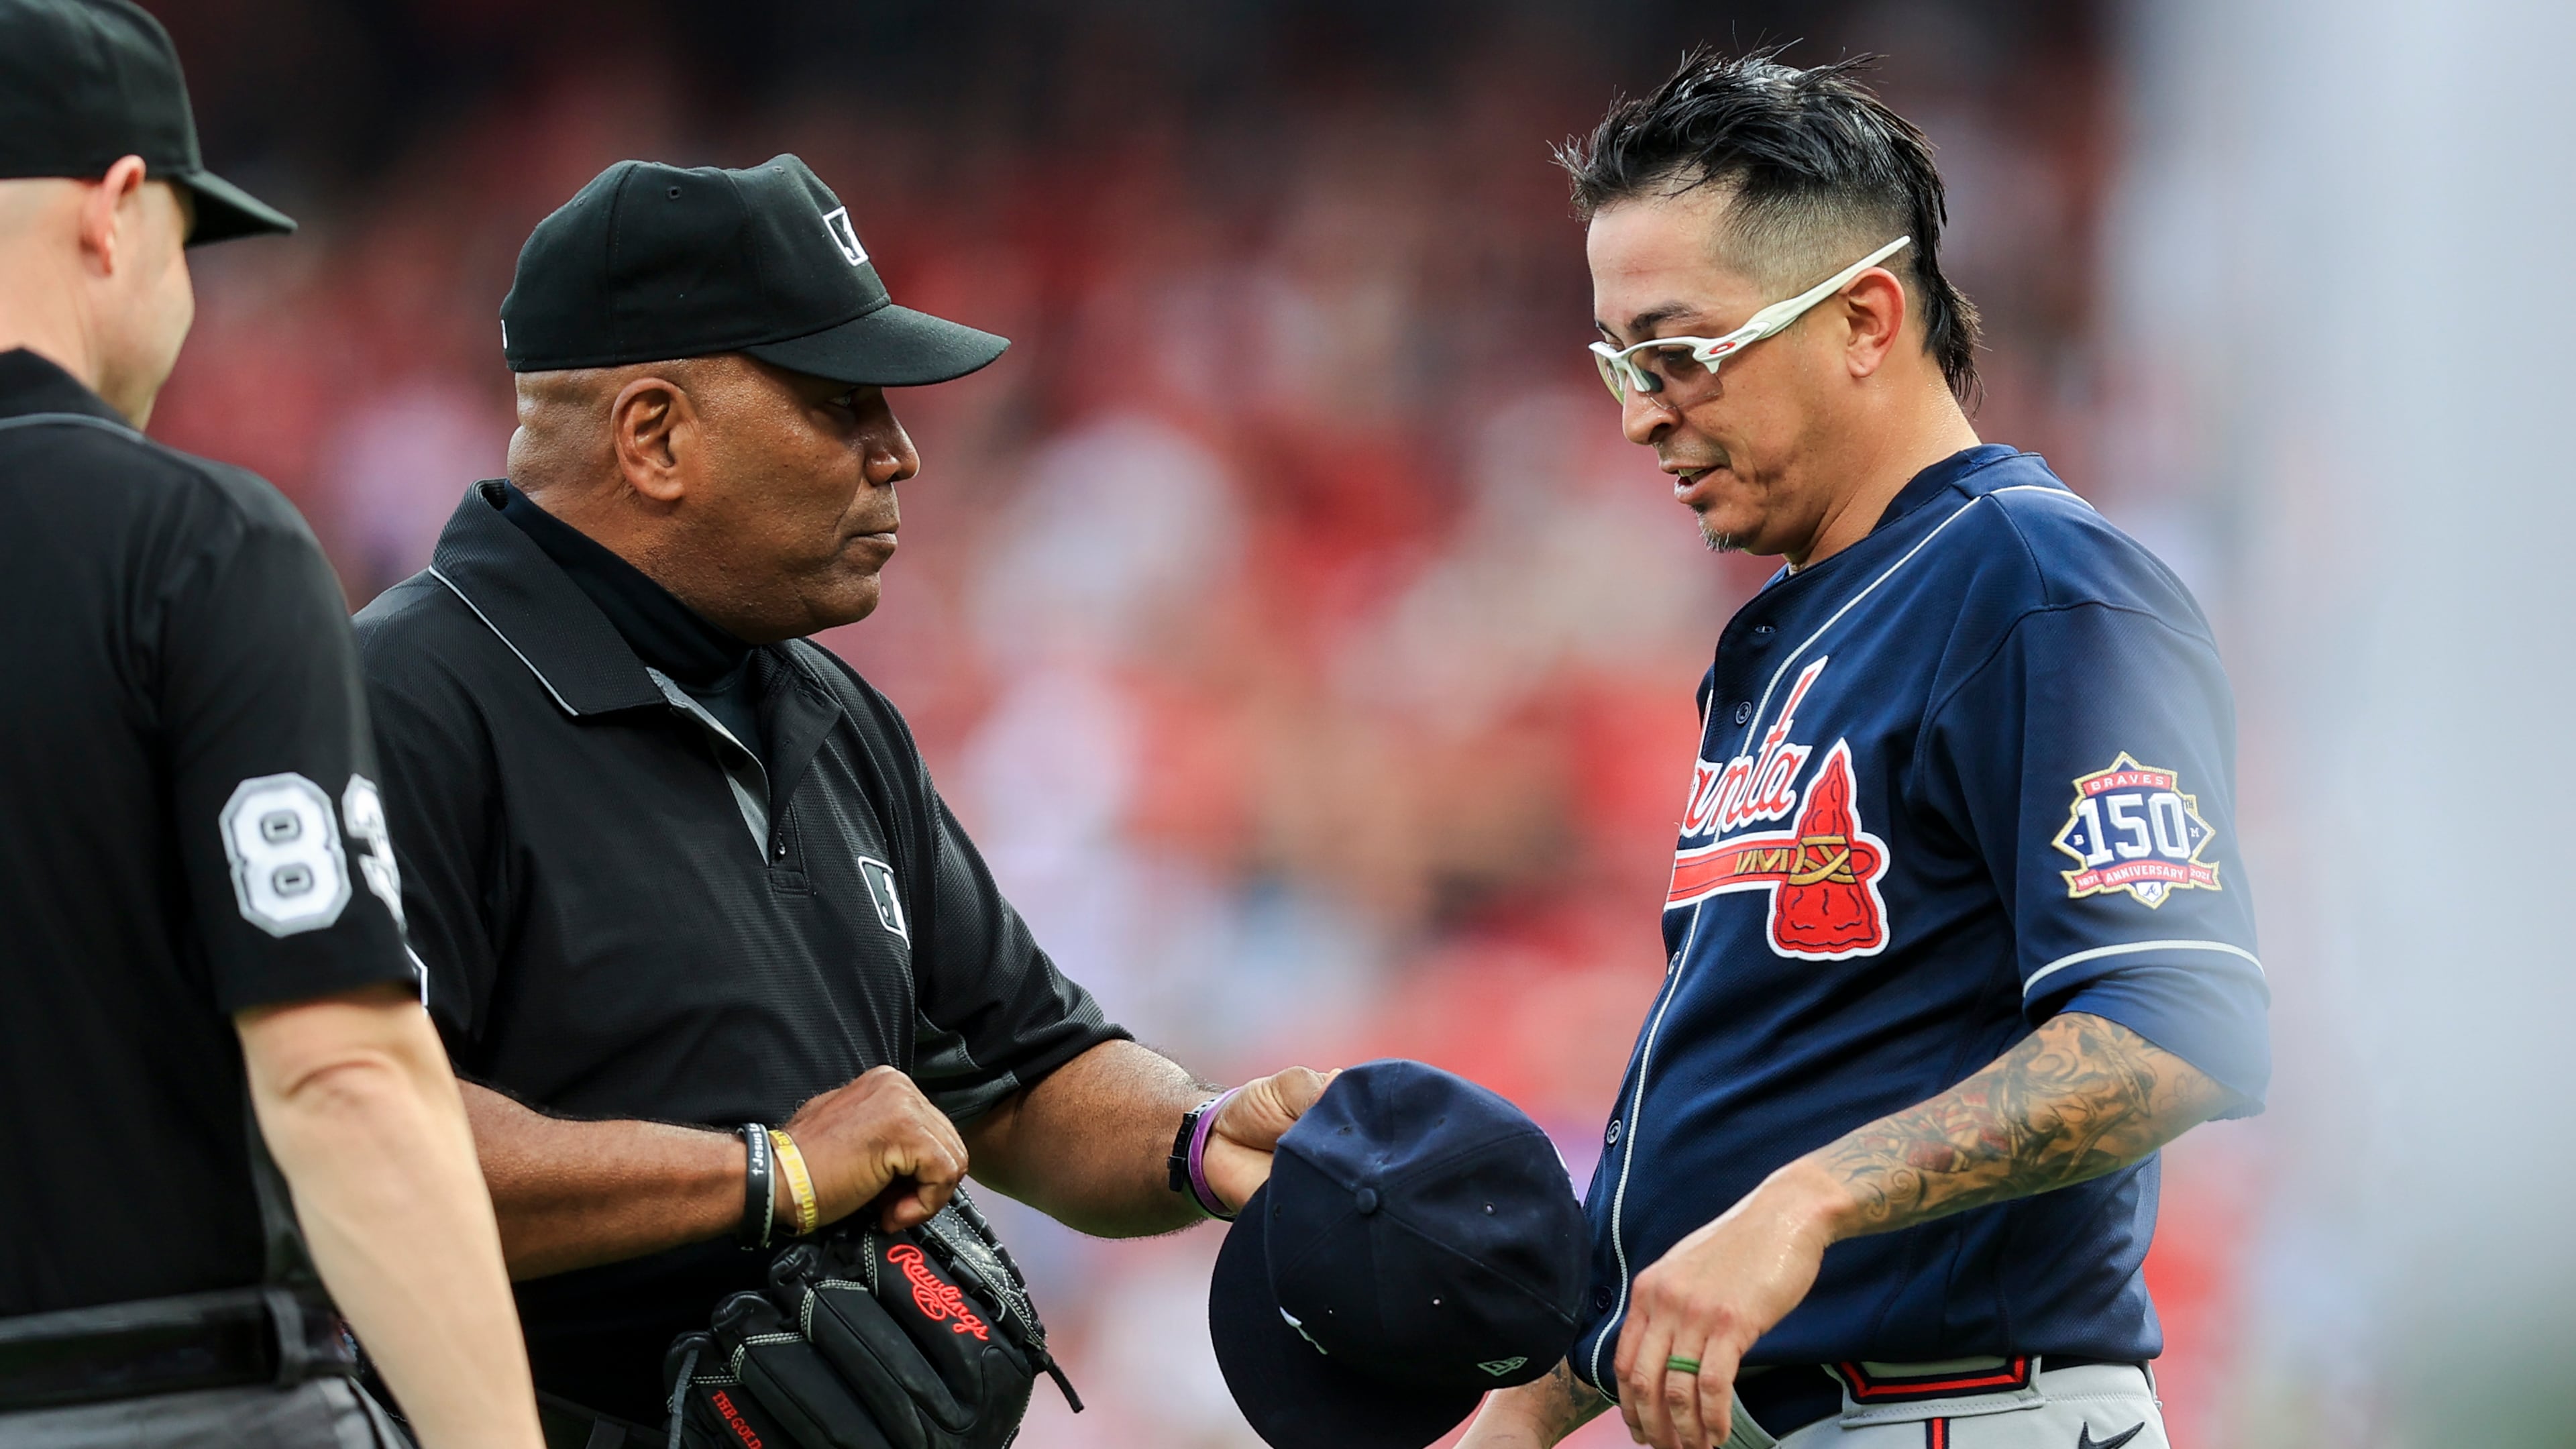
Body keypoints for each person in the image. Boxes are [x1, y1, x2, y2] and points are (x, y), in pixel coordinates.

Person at [351, 153, 1328, 1443]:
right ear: (654, 437)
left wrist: (1200, 1141)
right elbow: (361, 1144)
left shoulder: (825, 706)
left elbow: (1023, 1073)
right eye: (841, 404)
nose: (901, 454)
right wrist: (774, 1176)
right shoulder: (400, 701)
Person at [1460, 50, 2271, 1449]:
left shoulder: (2035, 584)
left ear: (1864, 319)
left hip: (1962, 1412)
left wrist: (1808, 1201)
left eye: (1680, 352)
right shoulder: (1793, 629)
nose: (1643, 408)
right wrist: (1532, 1405)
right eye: (1616, 363)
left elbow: (2179, 1026)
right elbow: (1760, 1078)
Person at [0, 1, 545, 1446]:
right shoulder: (192, 544)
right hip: (163, 1397)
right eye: (191, 237)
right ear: (117, 213)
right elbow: (342, 1072)